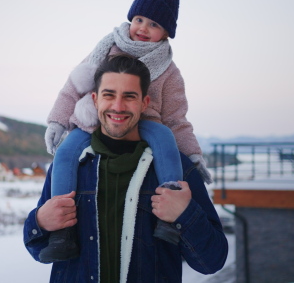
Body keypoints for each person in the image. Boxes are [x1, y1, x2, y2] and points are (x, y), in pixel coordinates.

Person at [42, 0, 210, 261]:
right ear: (131, 18)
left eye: (154, 24)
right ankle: (61, 230)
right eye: (140, 19)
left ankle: (167, 215)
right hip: (96, 119)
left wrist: (193, 155)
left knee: (165, 139)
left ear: (166, 32)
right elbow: (73, 86)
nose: (144, 28)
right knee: (66, 152)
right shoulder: (107, 49)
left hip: (147, 124)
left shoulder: (169, 72)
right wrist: (58, 120)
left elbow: (176, 118)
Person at [24, 55, 228, 282]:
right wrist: (40, 222)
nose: (118, 107)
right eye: (109, 95)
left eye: (129, 97)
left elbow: (213, 261)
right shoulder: (71, 167)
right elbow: (38, 251)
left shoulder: (179, 169)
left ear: (144, 103)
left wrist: (185, 214)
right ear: (95, 100)